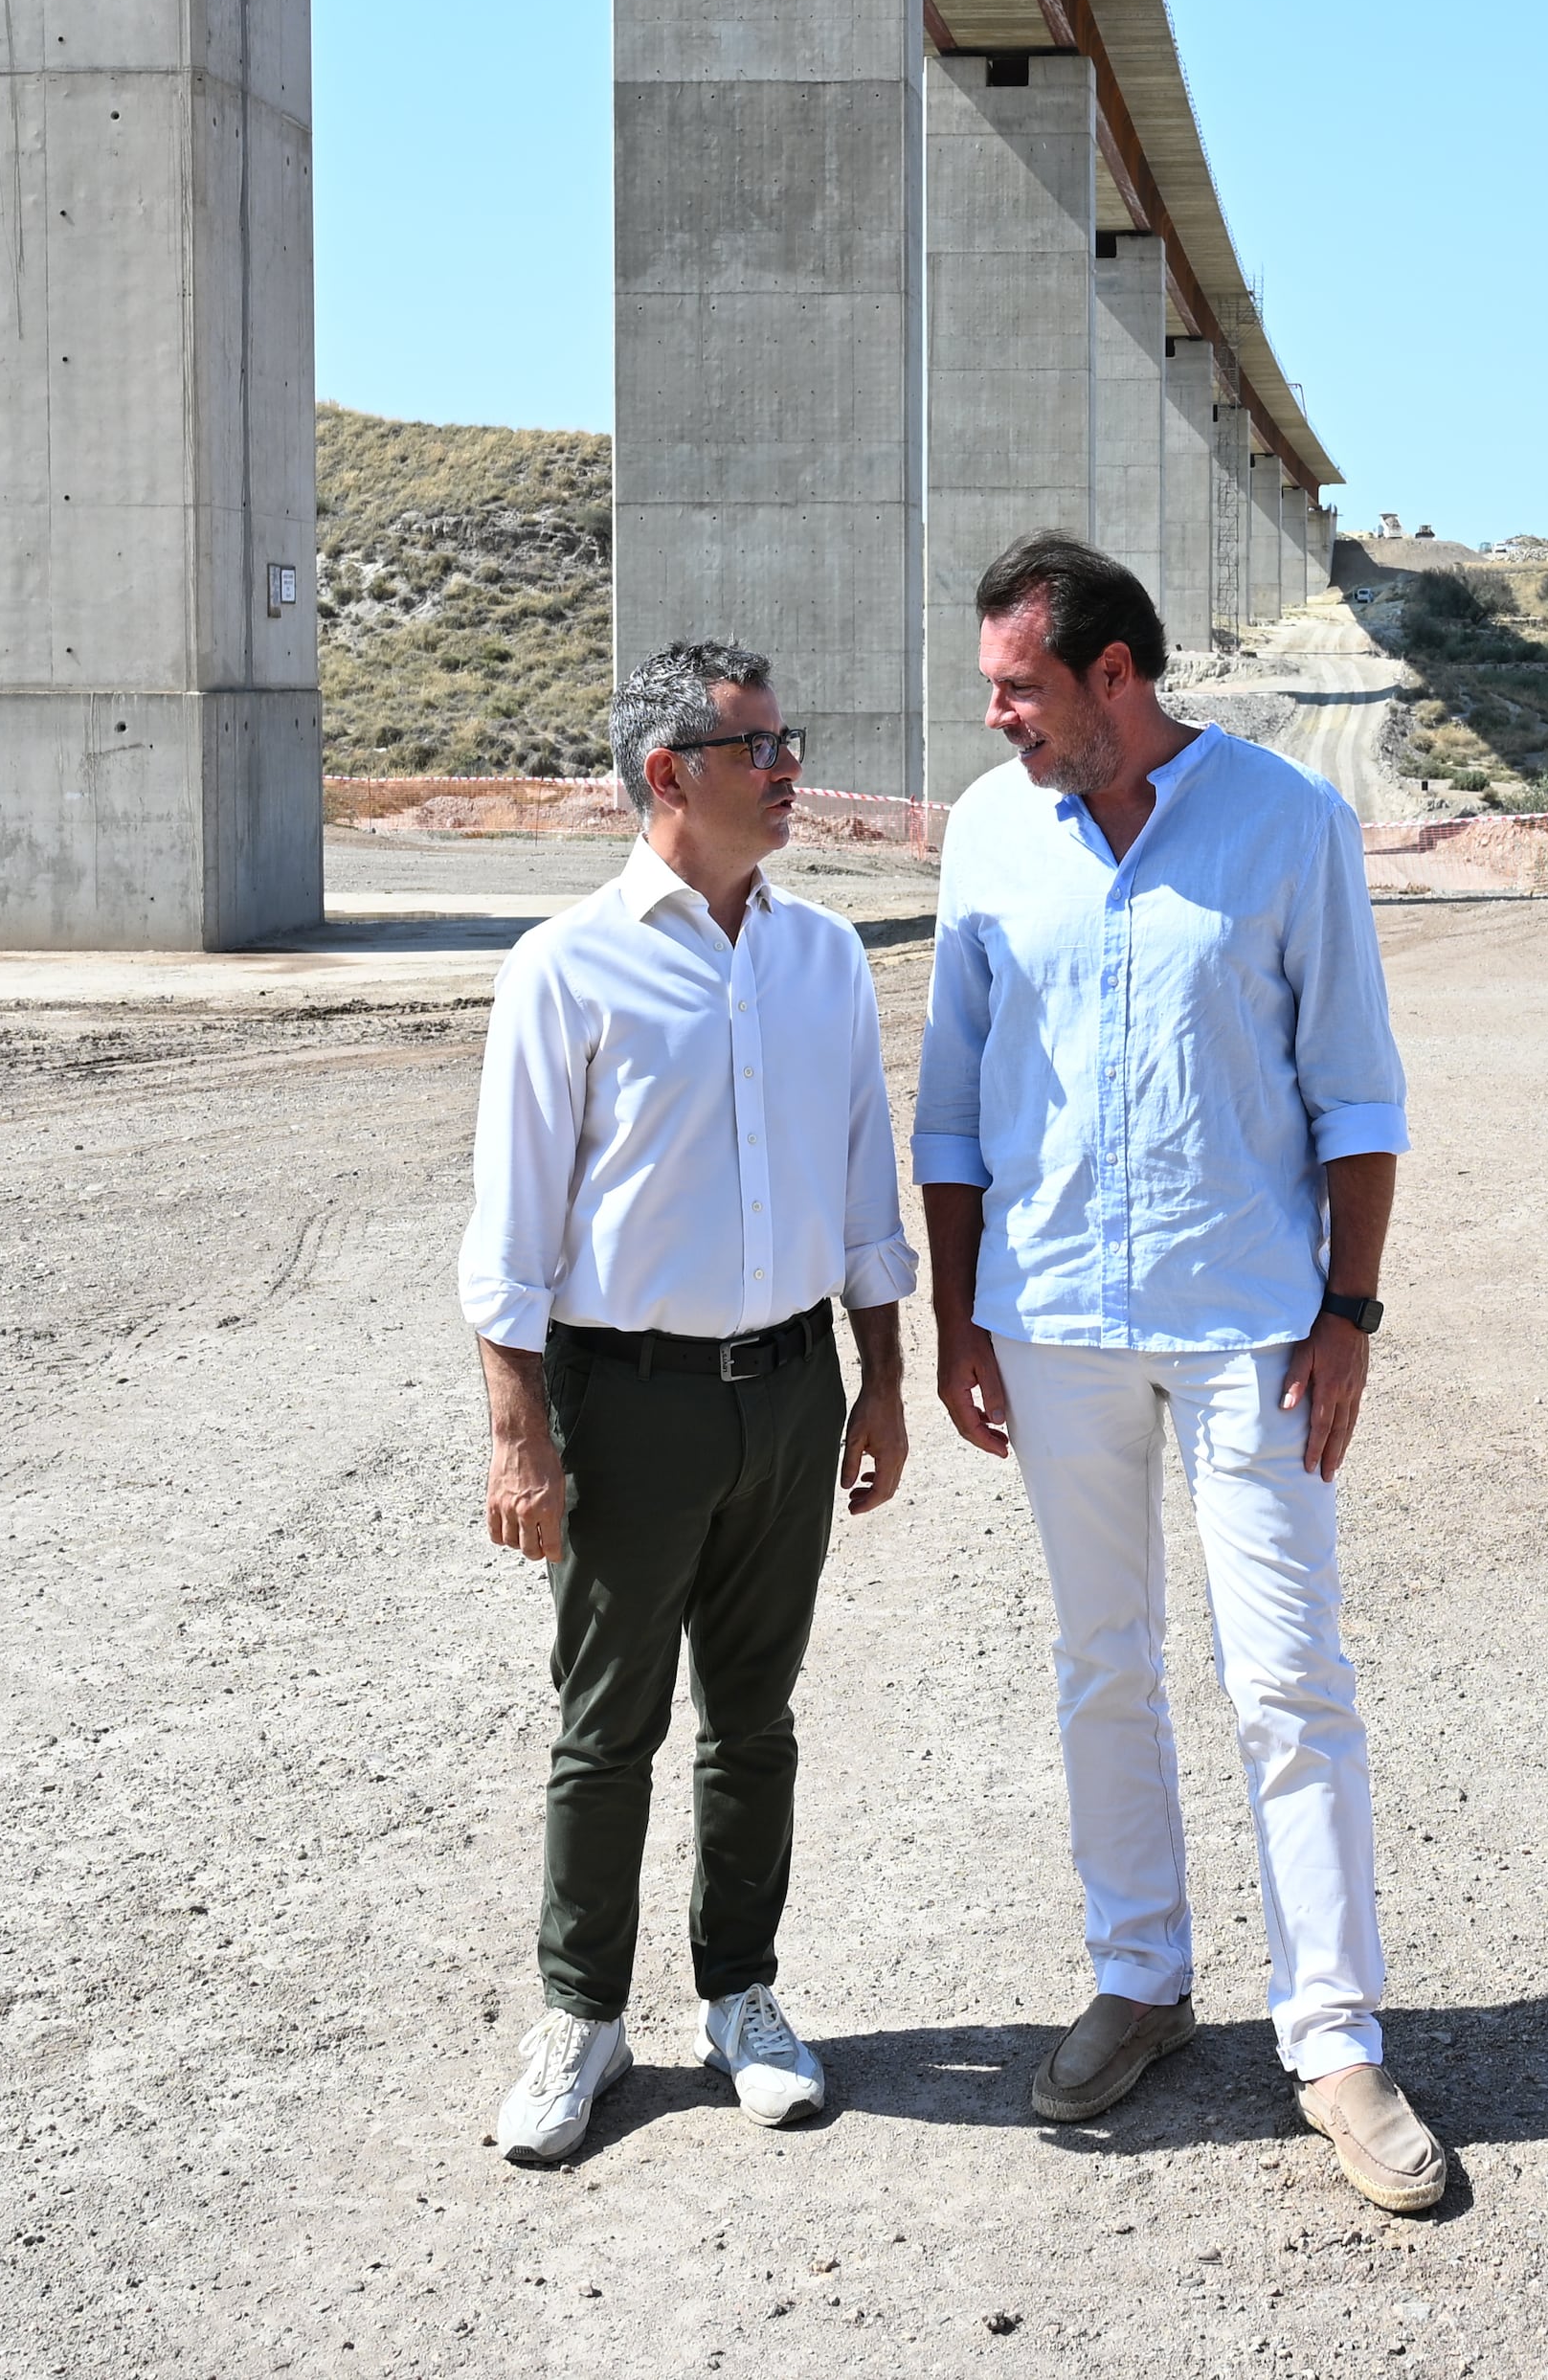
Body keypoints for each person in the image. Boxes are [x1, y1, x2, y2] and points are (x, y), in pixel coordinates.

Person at [915, 533, 1446, 2214]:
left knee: (1288, 1674)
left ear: (1115, 678)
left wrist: (1348, 1309)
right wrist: (954, 1315)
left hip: (1249, 1328)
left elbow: (1357, 1092)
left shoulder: (1290, 829)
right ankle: (1138, 1976)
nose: (996, 715)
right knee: (1102, 1661)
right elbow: (949, 1106)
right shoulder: (989, 834)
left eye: (1019, 686)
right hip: (1053, 1315)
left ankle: (1336, 2040)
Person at [457, 640, 914, 2165]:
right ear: (671, 774)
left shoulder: (821, 957)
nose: (790, 767)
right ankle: (582, 2017)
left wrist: (883, 1378)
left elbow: (864, 1182)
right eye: (760, 746)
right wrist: (522, 1433)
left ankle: (744, 1994)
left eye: (791, 737)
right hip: (628, 1401)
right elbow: (512, 1237)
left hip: (788, 1390)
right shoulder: (568, 964)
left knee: (756, 1720)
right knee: (607, 1727)